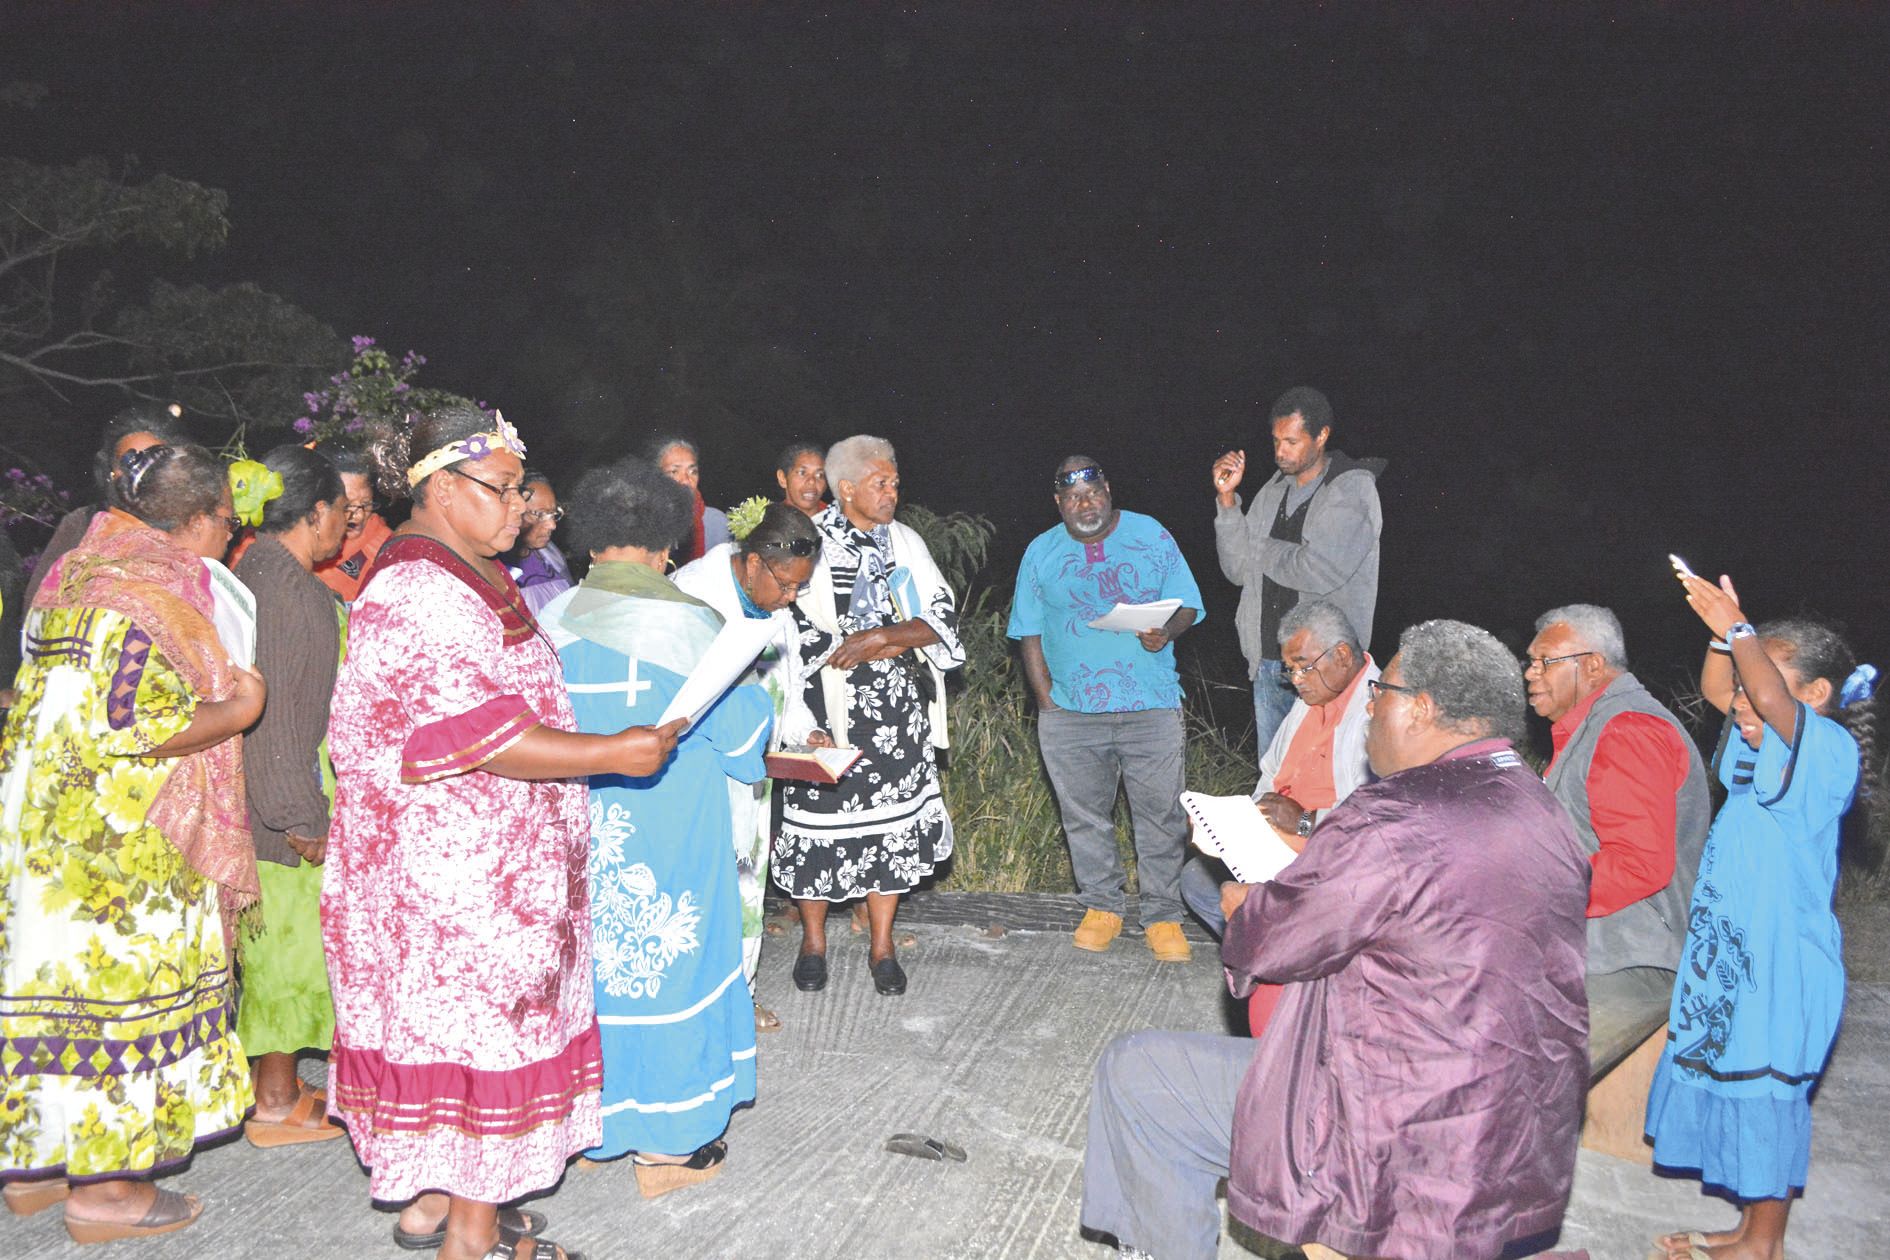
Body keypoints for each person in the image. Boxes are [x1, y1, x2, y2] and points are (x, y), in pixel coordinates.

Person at [1083, 620, 1589, 1260]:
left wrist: (1243, 902)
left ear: (1424, 709)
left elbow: (1268, 940)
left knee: (1139, 1072)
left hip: (1396, 1139)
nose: (1372, 707)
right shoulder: (1539, 806)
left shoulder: (1390, 817)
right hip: (1522, 1130)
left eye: (1383, 693)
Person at [325, 405, 680, 1260]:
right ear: (442, 488)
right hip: (455, 892)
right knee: (479, 1055)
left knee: (468, 1060)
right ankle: (475, 1241)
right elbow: (481, 732)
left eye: (523, 488)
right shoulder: (419, 587)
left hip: (493, 878)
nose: (522, 506)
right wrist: (617, 750)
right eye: (506, 488)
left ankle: (437, 1206)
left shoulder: (471, 569)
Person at [0, 443, 263, 1243]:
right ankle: (107, 1194)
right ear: (191, 521)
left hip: (45, 830)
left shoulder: (73, 577)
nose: (232, 534)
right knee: (116, 1009)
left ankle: (37, 1173)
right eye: (226, 518)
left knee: (58, 1000)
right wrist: (239, 709)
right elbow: (140, 726)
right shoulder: (148, 599)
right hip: (119, 848)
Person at [542, 458, 773, 1196]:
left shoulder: (545, 620)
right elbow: (742, 748)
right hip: (672, 835)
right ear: (666, 542)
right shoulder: (692, 625)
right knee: (672, 967)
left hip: (578, 837)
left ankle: (590, 1127)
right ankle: (669, 1150)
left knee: (591, 976)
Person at [1645, 576, 1878, 1260]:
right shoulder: (1761, 744)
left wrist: (1742, 630)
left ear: (1816, 695)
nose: (1746, 699)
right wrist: (1724, 637)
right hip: (1737, 956)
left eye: (1765, 685)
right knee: (1739, 1084)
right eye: (1749, 686)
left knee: (1768, 1098)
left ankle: (1765, 1243)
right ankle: (1749, 1228)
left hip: (1781, 964)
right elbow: (1729, 693)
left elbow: (1766, 698)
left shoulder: (1827, 753)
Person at [776, 435, 964, 997]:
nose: (892, 493)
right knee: (814, 830)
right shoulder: (806, 538)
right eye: (881, 483)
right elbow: (785, 619)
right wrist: (845, 646)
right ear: (848, 487)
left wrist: (885, 636)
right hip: (822, 714)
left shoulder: (903, 540)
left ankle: (881, 947)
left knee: (889, 832)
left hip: (895, 716)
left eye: (896, 483)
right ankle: (814, 943)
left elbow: (940, 609)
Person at [1007, 456, 1204, 962]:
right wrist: (1046, 703)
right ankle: (1102, 906)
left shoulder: (1151, 534)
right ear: (1059, 504)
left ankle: (1162, 914)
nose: (1084, 504)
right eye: (1072, 498)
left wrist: (1168, 632)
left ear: (1108, 491)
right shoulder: (1040, 551)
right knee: (1084, 815)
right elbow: (1027, 630)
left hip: (1150, 704)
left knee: (1160, 815)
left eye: (1092, 493)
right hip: (1070, 711)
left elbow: (1188, 603)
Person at [1526, 603, 1710, 1074]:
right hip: (1599, 944)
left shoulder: (1626, 730)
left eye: (1545, 661)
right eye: (1530, 661)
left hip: (1630, 958)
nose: (1530, 673)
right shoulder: (1593, 727)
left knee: (1515, 1071)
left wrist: (1531, 892)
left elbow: (1637, 865)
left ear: (1591, 665)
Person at [230, 445, 351, 1149]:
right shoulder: (294, 592)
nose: (344, 524)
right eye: (339, 510)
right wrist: (302, 816)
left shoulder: (252, 570)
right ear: (315, 512)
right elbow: (279, 718)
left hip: (267, 796)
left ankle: (275, 1085)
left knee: (279, 948)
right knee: (288, 953)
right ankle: (274, 1100)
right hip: (286, 804)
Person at [673, 499, 823, 1034]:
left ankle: (741, 992)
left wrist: (805, 731)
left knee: (746, 888)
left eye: (799, 588)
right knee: (703, 887)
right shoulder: (695, 595)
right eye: (785, 585)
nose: (790, 599)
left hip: (754, 779)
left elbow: (792, 682)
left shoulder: (777, 605)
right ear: (754, 563)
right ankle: (696, 1000)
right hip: (700, 772)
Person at [1179, 599, 1377, 943]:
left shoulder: (1380, 712)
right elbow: (1270, 777)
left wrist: (1303, 822)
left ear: (1342, 655)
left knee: (1250, 902)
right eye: (1290, 669)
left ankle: (1286, 960)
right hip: (1278, 846)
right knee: (1197, 879)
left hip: (1331, 859)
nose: (1295, 681)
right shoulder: (1308, 703)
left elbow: (1375, 821)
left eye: (1303, 667)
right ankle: (1274, 956)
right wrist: (1232, 825)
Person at [1211, 386, 1384, 760]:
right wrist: (1227, 502)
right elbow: (1237, 569)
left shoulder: (1352, 490)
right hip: (1271, 663)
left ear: (1321, 436)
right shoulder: (1272, 492)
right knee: (1276, 787)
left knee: (1329, 783)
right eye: (1275, 440)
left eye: (1291, 441)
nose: (1279, 452)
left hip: (1327, 669)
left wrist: (1258, 545)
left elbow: (1318, 569)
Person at [22, 402, 194, 605]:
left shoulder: (191, 524)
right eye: (129, 462)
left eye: (153, 461)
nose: (140, 472)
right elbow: (38, 604)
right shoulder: (83, 523)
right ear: (111, 473)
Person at [312, 444, 393, 604]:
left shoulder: (382, 545)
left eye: (366, 503)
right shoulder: (288, 538)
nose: (360, 515)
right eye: (347, 505)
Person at [506, 469, 574, 617]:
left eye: (553, 514)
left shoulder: (550, 557)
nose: (552, 525)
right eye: (540, 514)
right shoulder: (499, 570)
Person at [652, 437, 729, 565]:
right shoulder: (643, 521)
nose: (686, 480)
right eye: (674, 471)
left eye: (693, 471)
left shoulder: (717, 522)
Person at [775, 441, 828, 517]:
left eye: (819, 475)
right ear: (782, 478)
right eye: (802, 473)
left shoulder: (840, 523)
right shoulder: (768, 522)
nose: (812, 481)